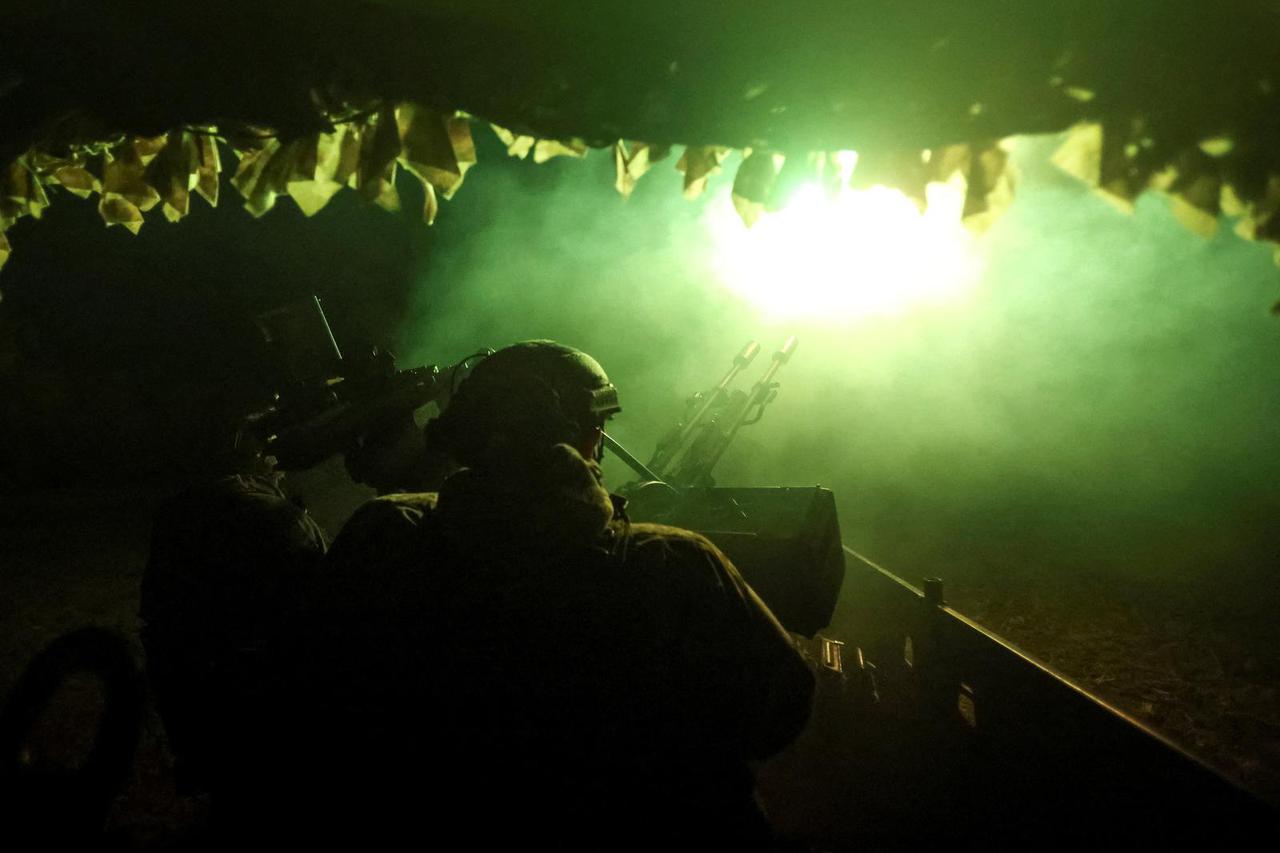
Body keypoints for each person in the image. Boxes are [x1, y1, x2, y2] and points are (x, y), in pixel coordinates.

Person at [278, 340, 815, 850]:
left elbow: (312, 700)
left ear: (462, 431)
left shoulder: (385, 536)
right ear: (590, 437)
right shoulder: (676, 565)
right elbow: (775, 715)